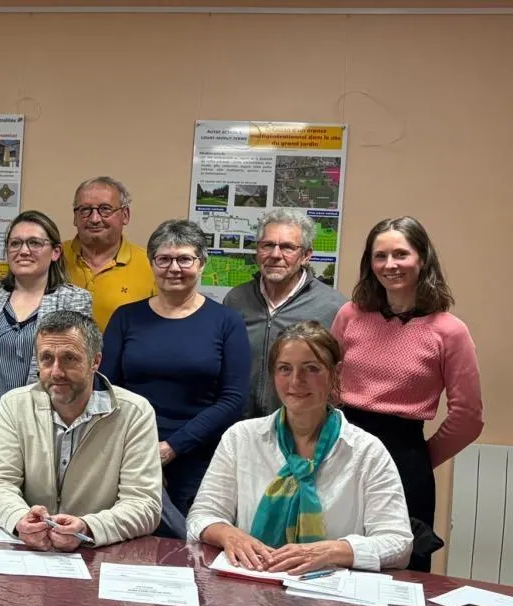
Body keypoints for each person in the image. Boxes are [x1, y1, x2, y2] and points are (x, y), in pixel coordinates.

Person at [187, 321, 412, 573]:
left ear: (336, 374)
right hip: (253, 579)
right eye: (285, 369)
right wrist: (228, 534)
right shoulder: (241, 438)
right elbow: (202, 515)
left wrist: (331, 551)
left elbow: (398, 543)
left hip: (328, 591)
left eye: (311, 369)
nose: (296, 381)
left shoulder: (367, 451)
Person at [332, 216, 482, 571]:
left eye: (401, 254)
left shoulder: (449, 331)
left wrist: (420, 460)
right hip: (341, 451)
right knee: (334, 557)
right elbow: (327, 384)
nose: (390, 265)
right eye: (380, 256)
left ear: (423, 258)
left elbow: (468, 418)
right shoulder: (350, 315)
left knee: (401, 570)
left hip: (404, 459)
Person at [101, 219, 250, 516]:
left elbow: (233, 400)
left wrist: (172, 447)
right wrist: (143, 451)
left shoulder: (227, 322)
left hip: (200, 457)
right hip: (131, 453)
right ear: (151, 263)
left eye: (185, 259)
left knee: (189, 538)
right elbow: (105, 389)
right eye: (164, 259)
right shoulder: (125, 318)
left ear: (202, 263)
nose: (174, 268)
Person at [0, 310, 161, 548]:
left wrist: (88, 527)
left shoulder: (134, 412)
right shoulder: (14, 405)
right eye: (47, 358)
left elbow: (144, 504)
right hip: (32, 549)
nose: (56, 372)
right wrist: (19, 519)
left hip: (100, 550)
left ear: (95, 362)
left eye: (69, 358)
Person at [0, 210, 92, 499]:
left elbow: (73, 369)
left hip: (47, 433)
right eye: (15, 243)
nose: (24, 250)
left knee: (38, 513)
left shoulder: (75, 300)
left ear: (55, 252)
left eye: (34, 243)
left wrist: (28, 424)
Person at [224, 209, 346, 419]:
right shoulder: (236, 299)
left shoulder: (333, 306)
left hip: (303, 426)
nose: (275, 254)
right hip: (242, 427)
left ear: (306, 255)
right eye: (267, 245)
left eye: (287, 247)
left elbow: (340, 377)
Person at [60, 176, 156, 330]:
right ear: (75, 217)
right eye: (85, 210)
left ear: (125, 215)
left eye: (105, 209)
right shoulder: (52, 257)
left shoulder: (151, 265)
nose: (95, 219)